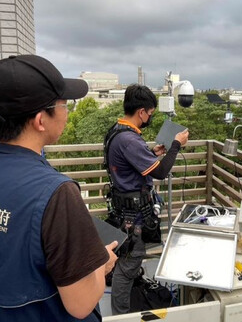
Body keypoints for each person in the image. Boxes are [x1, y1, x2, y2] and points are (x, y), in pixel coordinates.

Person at [0, 55, 118, 321]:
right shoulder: (55, 193)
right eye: (64, 105)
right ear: (41, 120)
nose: (66, 112)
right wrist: (102, 263)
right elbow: (81, 304)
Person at [103, 84, 189, 315]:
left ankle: (123, 308)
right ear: (141, 111)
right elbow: (160, 173)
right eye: (150, 113)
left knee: (126, 262)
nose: (150, 117)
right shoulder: (130, 140)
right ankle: (121, 316)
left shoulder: (117, 131)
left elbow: (131, 164)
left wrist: (153, 153)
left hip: (123, 209)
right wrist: (176, 145)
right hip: (134, 215)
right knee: (129, 265)